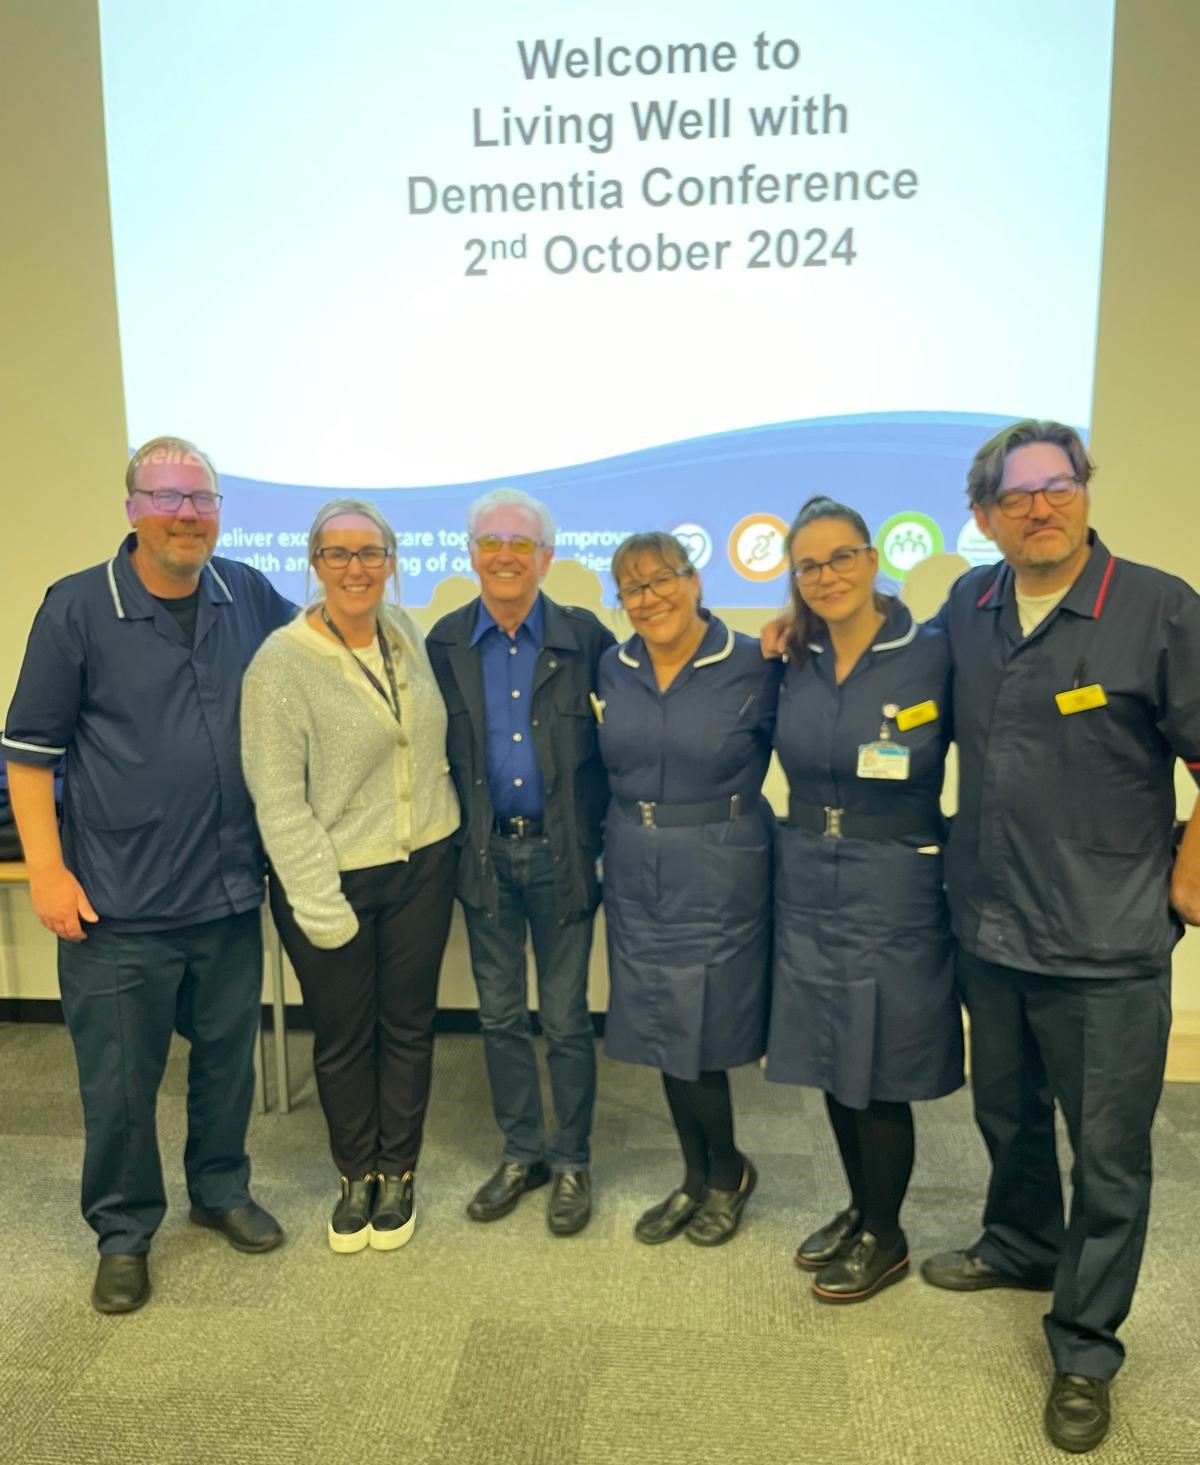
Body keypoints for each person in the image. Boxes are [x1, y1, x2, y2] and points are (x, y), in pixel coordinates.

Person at [919, 420, 1200, 1453]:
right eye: (1016, 493)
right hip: (991, 924)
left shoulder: (1160, 606)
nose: (1040, 506)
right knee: (1007, 1112)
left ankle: (1084, 1346)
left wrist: (1185, 874)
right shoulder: (970, 601)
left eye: (1058, 484)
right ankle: (1023, 1241)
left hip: (1107, 941)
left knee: (1113, 1158)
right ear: (986, 515)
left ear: (1084, 491)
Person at [2, 436, 294, 1314]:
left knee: (226, 1067)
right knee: (121, 1086)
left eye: (201, 498)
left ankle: (220, 1190)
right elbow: (26, 755)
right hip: (116, 903)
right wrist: (45, 873)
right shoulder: (76, 608)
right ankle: (124, 1231)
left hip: (228, 890)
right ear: (131, 507)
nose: (186, 514)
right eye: (166, 497)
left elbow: (316, 656)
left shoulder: (246, 592)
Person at [241, 499, 459, 1253]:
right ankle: (354, 1173)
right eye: (337, 554)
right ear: (315, 564)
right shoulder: (280, 663)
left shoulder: (404, 633)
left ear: (392, 561)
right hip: (331, 878)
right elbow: (277, 798)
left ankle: (398, 1171)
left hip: (423, 860)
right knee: (342, 1035)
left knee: (408, 1026)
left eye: (369, 553)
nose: (355, 568)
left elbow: (418, 749)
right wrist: (315, 901)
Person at [765, 497, 962, 1301]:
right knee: (828, 1047)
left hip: (897, 873)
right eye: (808, 565)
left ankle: (888, 1231)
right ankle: (859, 1205)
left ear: (873, 558)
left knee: (879, 1059)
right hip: (808, 870)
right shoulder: (791, 658)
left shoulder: (935, 655)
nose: (826, 576)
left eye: (840, 557)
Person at [426, 489, 614, 1234]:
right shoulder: (442, 642)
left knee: (566, 1019)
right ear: (471, 554)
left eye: (521, 544)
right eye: (491, 542)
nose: (505, 556)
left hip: (561, 854)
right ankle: (520, 1152)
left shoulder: (585, 637)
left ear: (547, 557)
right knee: (500, 1016)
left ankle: (571, 1159)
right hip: (483, 856)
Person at [598, 532, 779, 1247]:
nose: (650, 598)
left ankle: (726, 1172)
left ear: (695, 579)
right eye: (632, 588)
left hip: (722, 862)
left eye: (662, 579)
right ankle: (695, 1173)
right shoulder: (613, 667)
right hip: (636, 861)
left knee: (701, 1028)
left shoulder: (755, 663)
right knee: (660, 1025)